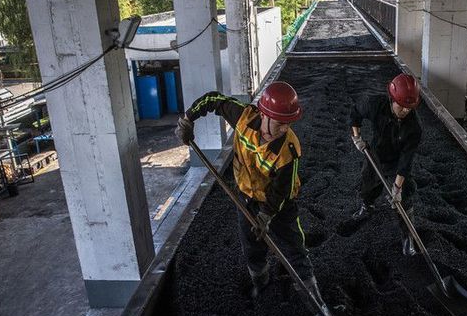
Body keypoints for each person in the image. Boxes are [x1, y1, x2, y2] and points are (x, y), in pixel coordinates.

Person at [175, 82, 324, 304]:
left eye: (289, 124)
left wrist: (265, 216)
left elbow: (281, 191)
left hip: (280, 205)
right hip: (245, 197)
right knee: (251, 245)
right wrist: (188, 119)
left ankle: (313, 299)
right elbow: (213, 100)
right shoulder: (243, 117)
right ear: (264, 114)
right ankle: (260, 283)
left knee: (293, 247)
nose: (285, 129)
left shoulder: (288, 150)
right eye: (281, 124)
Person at [350, 73, 422, 256]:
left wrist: (397, 188)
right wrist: (356, 137)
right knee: (367, 185)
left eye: (409, 107)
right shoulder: (375, 105)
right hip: (375, 153)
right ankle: (367, 206)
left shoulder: (414, 127)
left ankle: (408, 238)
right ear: (392, 99)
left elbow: (406, 161)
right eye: (402, 106)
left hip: (396, 160)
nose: (405, 111)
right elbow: (355, 112)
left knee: (404, 197)